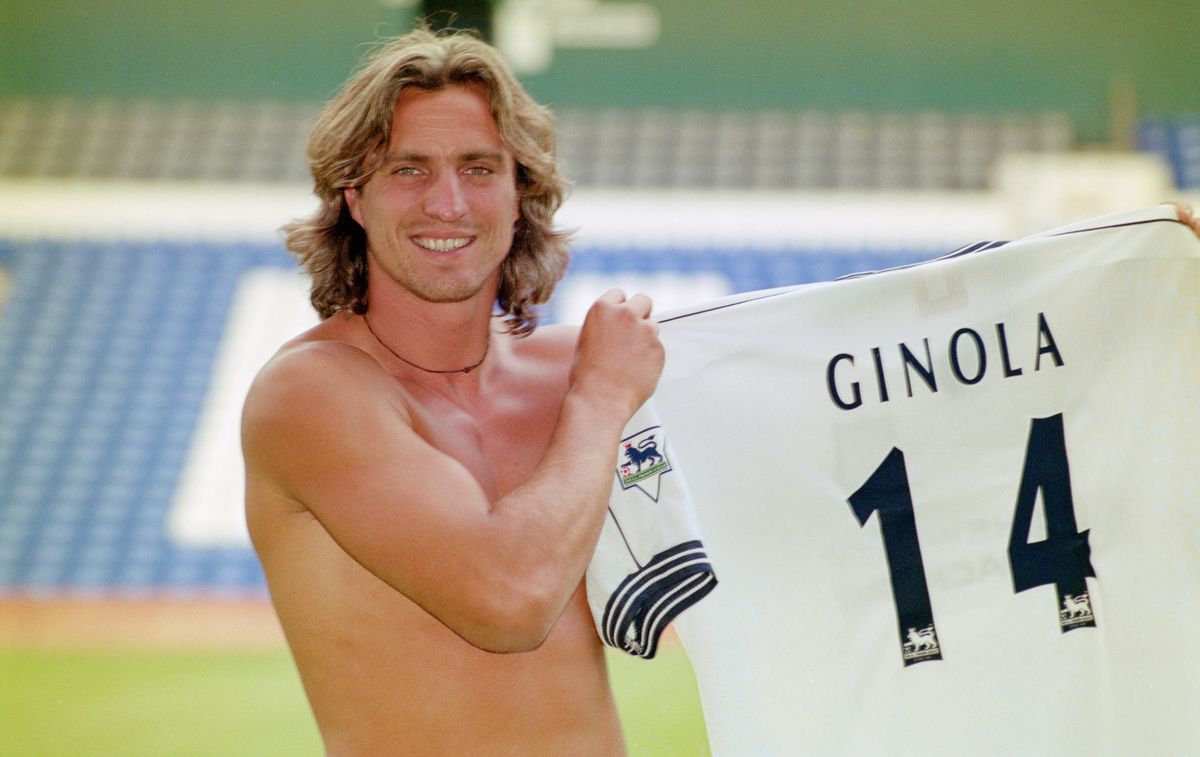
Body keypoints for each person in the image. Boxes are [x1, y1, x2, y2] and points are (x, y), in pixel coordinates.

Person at [241, 28, 661, 755]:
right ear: (356, 199)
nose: (448, 202)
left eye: (477, 167)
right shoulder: (311, 393)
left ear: (519, 192)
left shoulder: (577, 368)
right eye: (409, 170)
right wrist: (599, 399)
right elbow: (510, 599)